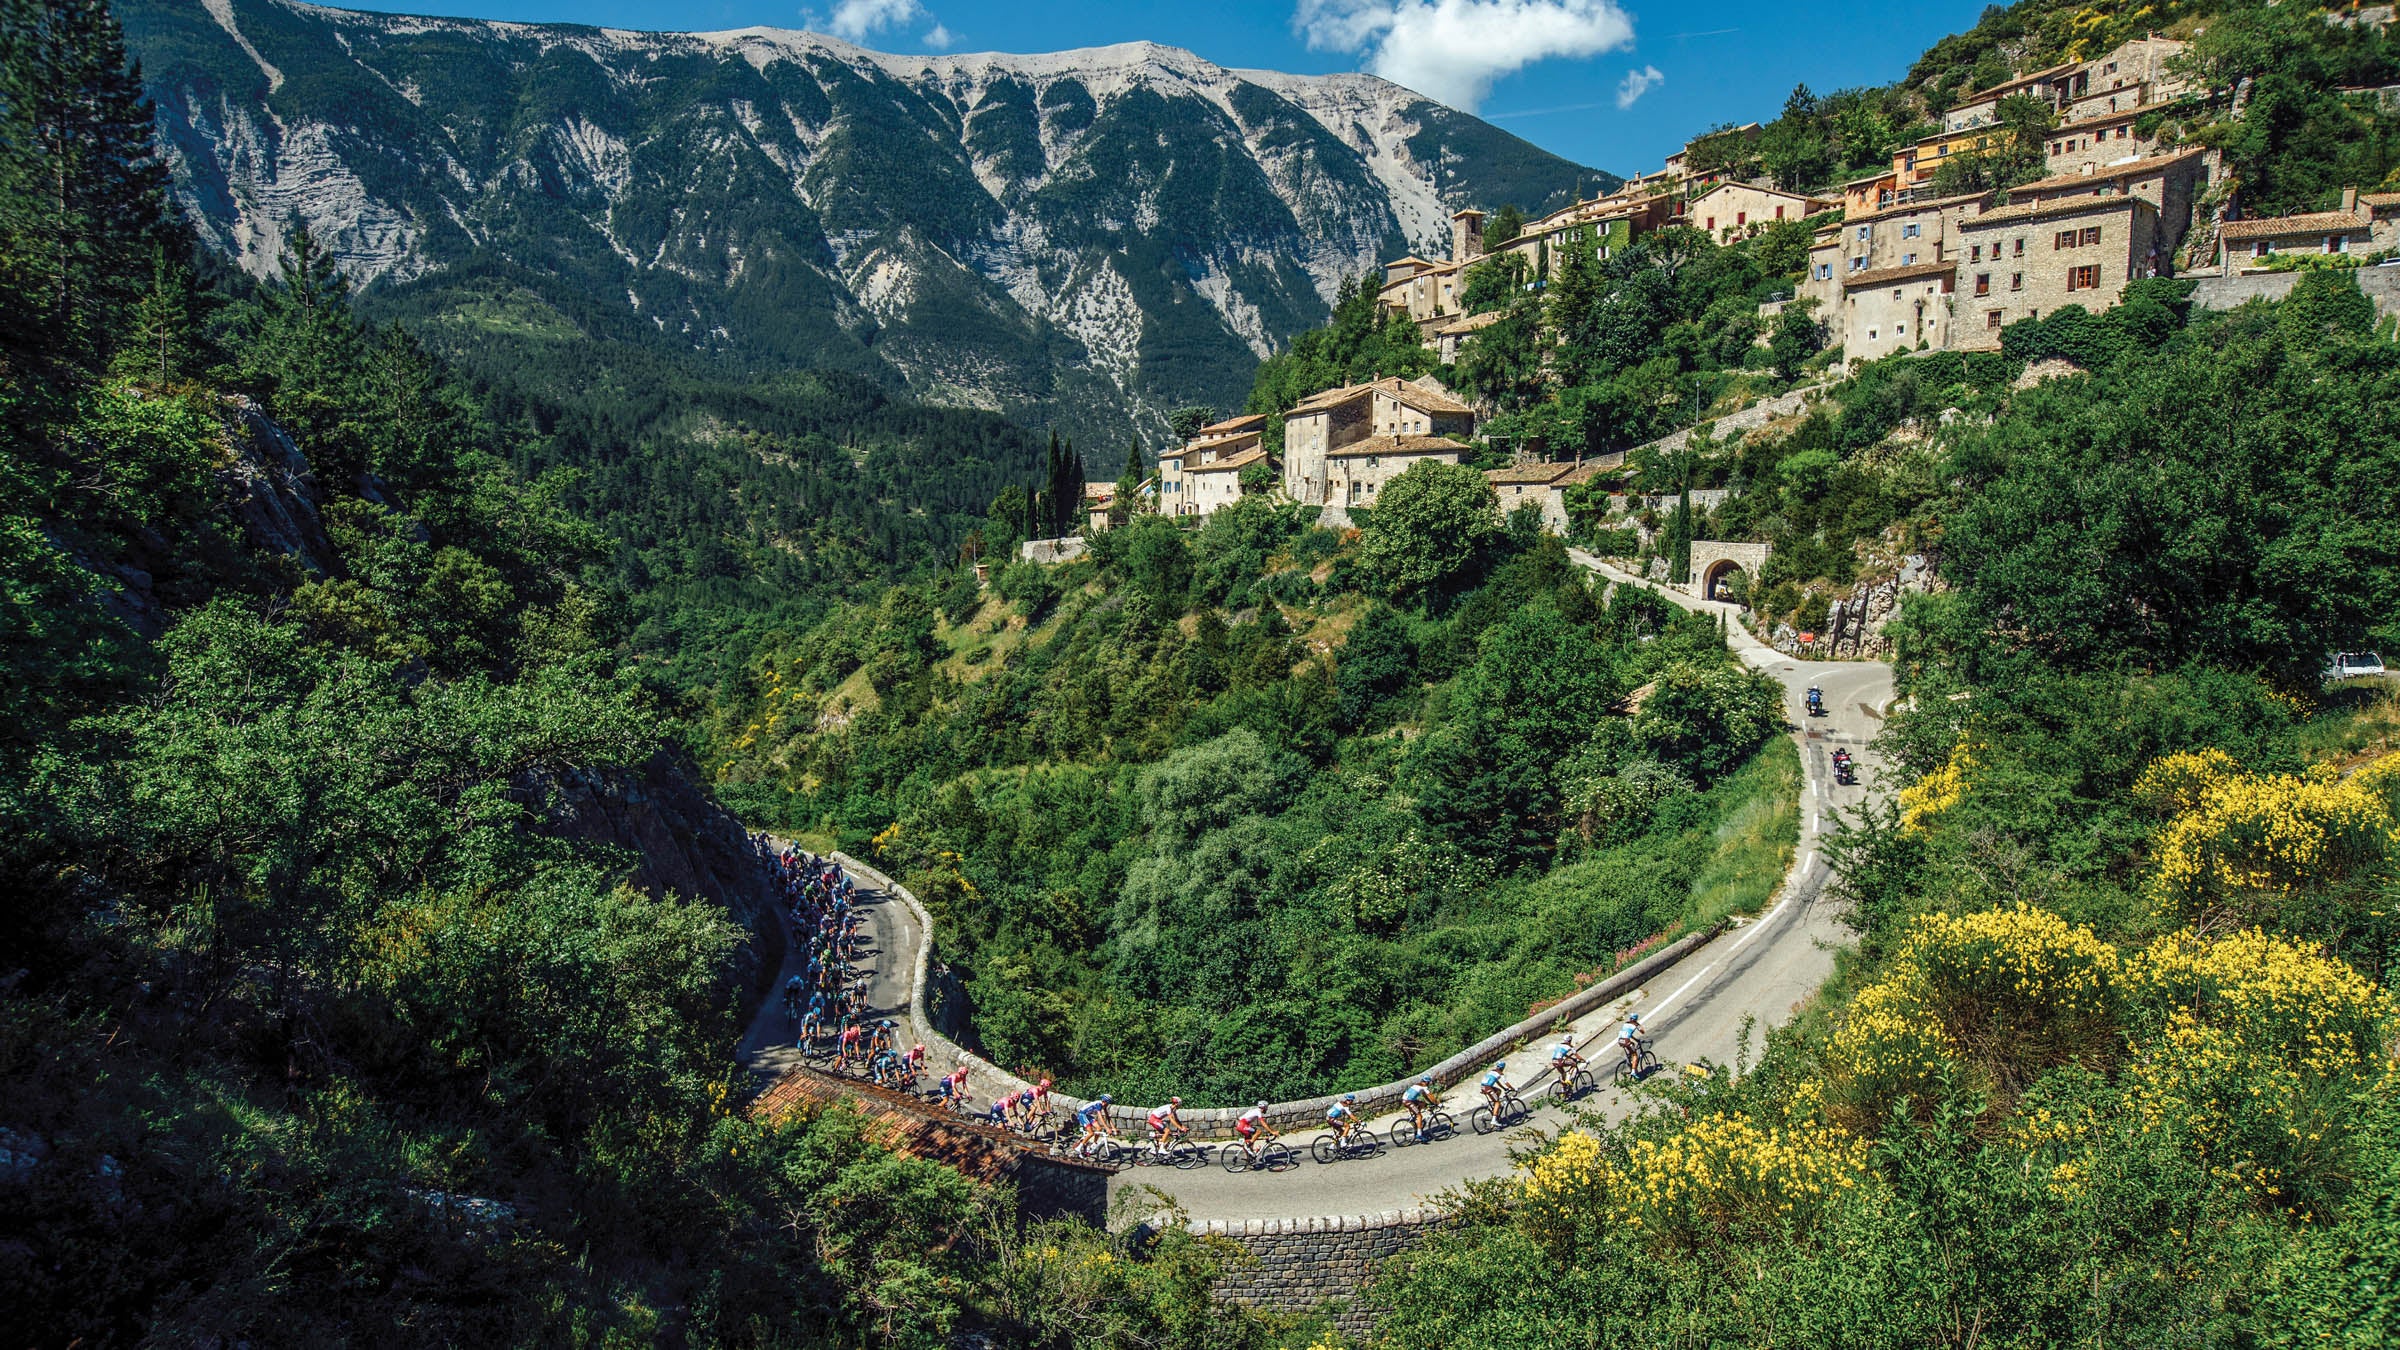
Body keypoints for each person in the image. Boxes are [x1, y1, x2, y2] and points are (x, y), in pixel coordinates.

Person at [1401, 1075, 1440, 1142]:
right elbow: (1430, 1096)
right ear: (1427, 1082)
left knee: (1423, 1104)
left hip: (1408, 1100)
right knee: (1419, 1115)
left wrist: (1429, 1103)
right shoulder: (1424, 1087)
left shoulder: (1418, 1085)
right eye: (1429, 1082)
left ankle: (1416, 1118)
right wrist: (1436, 1103)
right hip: (1408, 1101)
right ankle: (1419, 1134)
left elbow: (1425, 1096)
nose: (1429, 1084)